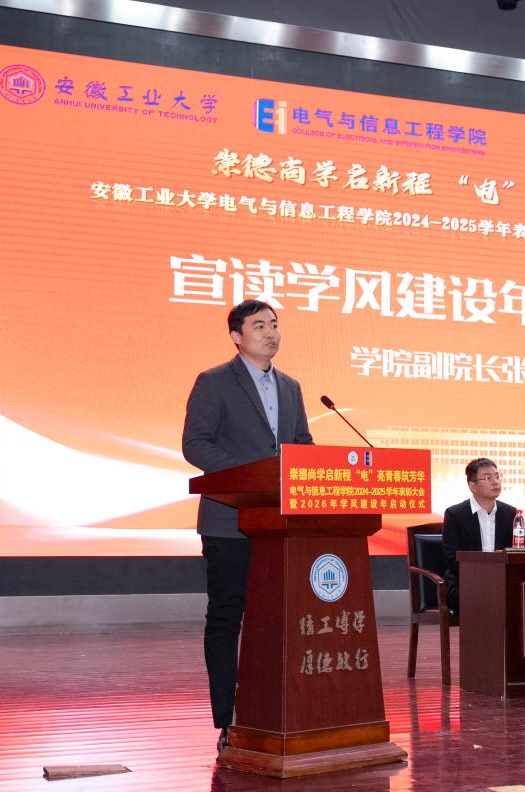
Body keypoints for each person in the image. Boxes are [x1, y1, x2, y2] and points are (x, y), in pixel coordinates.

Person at [182, 299, 313, 751]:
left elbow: (302, 445)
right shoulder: (214, 381)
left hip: (280, 525)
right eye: (259, 326)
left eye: (275, 325)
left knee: (276, 618)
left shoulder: (291, 387)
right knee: (226, 616)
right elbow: (195, 444)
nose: (271, 333)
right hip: (229, 522)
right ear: (237, 336)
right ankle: (228, 718)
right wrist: (249, 476)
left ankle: (271, 710)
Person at [442, 458, 519, 614]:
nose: (495, 482)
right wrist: (482, 579)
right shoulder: (455, 514)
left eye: (497, 476)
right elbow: (452, 557)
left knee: (519, 595)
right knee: (482, 596)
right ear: (473, 486)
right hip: (464, 582)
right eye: (488, 478)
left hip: (500, 581)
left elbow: (513, 552)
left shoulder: (510, 513)